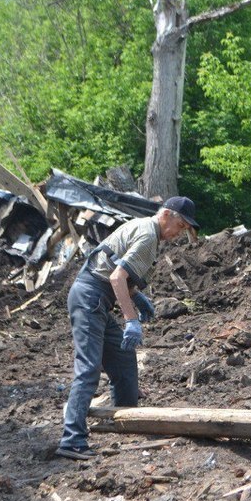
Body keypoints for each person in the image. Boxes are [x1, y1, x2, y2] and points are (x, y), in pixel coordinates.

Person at [57, 195, 199, 460]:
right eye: (180, 226)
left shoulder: (144, 228)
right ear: (167, 215)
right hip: (91, 297)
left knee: (123, 360)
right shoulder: (148, 236)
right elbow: (116, 277)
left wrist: (136, 295)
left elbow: (115, 268)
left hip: (96, 297)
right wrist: (131, 319)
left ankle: (125, 423)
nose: (179, 234)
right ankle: (72, 440)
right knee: (88, 369)